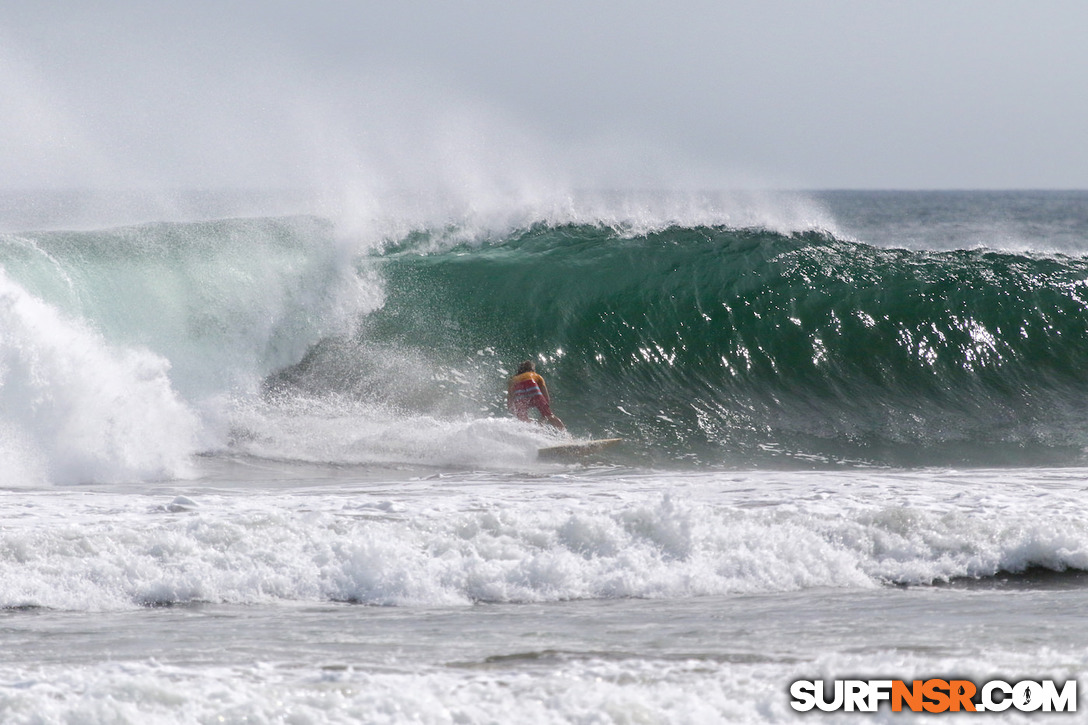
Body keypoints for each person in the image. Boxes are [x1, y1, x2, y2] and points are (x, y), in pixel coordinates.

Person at [507, 360, 565, 431]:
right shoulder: (536, 376)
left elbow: (510, 398)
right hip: (531, 384)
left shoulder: (513, 379)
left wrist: (512, 408)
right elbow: (546, 398)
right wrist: (545, 415)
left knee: (522, 418)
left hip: (518, 388)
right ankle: (567, 436)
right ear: (532, 369)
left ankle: (531, 432)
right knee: (549, 415)